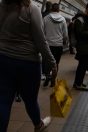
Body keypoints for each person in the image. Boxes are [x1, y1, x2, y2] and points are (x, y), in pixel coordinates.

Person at [0, 0, 57, 131]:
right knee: (30, 99)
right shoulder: (31, 9)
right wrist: (52, 62)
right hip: (27, 62)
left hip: (3, 59)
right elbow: (41, 41)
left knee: (3, 100)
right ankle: (38, 125)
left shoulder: (1, 6)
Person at [43, 3, 68, 87]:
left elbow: (42, 31)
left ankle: (47, 76)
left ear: (51, 9)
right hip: (58, 45)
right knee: (56, 63)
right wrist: (65, 41)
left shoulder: (46, 18)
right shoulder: (63, 19)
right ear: (58, 10)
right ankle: (53, 79)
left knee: (47, 62)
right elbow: (65, 34)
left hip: (48, 45)